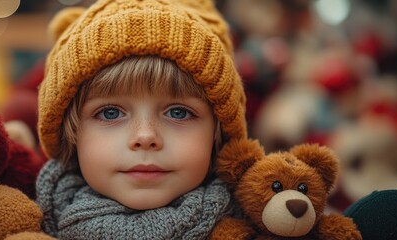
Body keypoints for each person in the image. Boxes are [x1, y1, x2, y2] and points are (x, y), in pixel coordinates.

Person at [35, 0, 246, 238]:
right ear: (69, 135)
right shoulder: (29, 219)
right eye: (110, 113)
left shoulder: (262, 221)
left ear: (219, 133)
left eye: (178, 112)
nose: (145, 137)